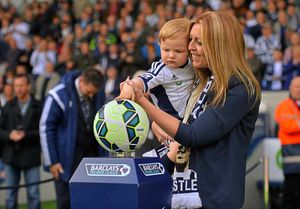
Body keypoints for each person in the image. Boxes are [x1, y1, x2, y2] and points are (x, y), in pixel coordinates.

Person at [125, 11, 261, 209]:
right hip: (182, 193)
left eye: (198, 41)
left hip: (213, 199)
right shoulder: (203, 79)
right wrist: (159, 122)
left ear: (219, 44)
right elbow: (181, 120)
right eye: (190, 40)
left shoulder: (241, 88)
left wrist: (143, 103)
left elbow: (193, 135)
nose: (190, 47)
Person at [39, 68, 108, 209]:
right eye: (88, 92)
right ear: (81, 81)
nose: (91, 96)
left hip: (92, 157)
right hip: (65, 160)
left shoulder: (98, 93)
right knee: (66, 202)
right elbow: (46, 127)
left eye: (93, 93)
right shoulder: (58, 94)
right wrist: (52, 161)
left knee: (92, 201)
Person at [119, 17, 195, 131]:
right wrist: (129, 86)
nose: (171, 55)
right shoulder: (162, 70)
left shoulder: (192, 64)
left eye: (178, 51)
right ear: (159, 45)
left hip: (189, 122)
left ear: (189, 48)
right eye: (166, 50)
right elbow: (143, 79)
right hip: (170, 124)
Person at [0, 74, 42, 209]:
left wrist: (26, 135)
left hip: (31, 156)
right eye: (16, 86)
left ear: (28, 86)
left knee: (33, 194)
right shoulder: (8, 106)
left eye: (21, 85)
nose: (18, 89)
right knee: (11, 196)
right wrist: (9, 135)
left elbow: (43, 131)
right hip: (11, 157)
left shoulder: (38, 106)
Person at [274, 76, 300, 209]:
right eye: (296, 86)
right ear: (290, 88)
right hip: (292, 161)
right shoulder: (284, 106)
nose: (299, 89)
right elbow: (288, 127)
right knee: (291, 194)